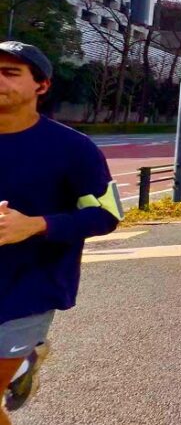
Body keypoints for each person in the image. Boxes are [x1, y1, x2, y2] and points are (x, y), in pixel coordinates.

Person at [0, 41, 122, 424]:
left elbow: (106, 215)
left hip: (28, 287)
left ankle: (21, 359)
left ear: (42, 86)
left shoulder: (74, 149)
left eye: (10, 72)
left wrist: (37, 225)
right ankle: (21, 365)